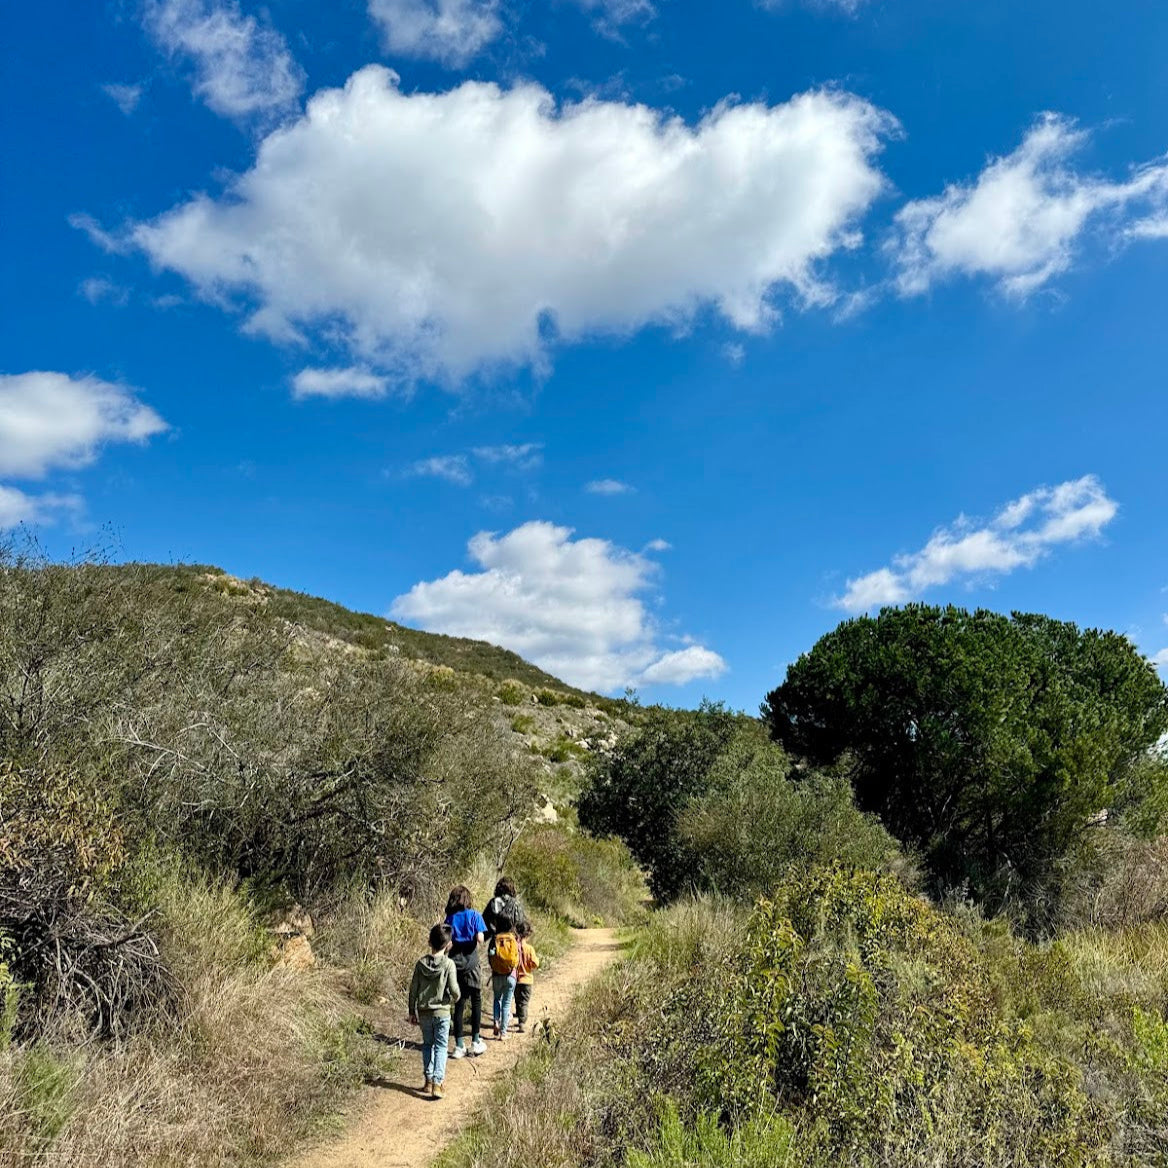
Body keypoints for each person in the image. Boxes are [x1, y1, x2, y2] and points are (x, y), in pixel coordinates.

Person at [408, 923, 460, 1099]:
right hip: (442, 1012)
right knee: (441, 1046)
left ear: (429, 941)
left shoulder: (420, 964)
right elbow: (454, 989)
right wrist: (455, 998)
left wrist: (411, 1011)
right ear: (449, 944)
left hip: (424, 1012)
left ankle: (428, 1081)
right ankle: (438, 1083)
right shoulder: (449, 964)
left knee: (427, 1045)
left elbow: (413, 989)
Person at [444, 885, 488, 1059]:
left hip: (455, 965)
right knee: (476, 1000)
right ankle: (476, 1041)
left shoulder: (450, 918)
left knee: (459, 1003)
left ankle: (459, 1045)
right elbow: (481, 939)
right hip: (472, 963)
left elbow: (447, 943)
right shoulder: (475, 915)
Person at [487, 913, 520, 1039]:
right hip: (510, 975)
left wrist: (494, 967)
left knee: (497, 999)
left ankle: (496, 1021)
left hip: (496, 975)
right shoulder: (513, 938)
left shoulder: (494, 938)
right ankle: (503, 1033)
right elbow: (517, 957)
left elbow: (490, 956)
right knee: (506, 1004)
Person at [513, 920, 540, 1034]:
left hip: (515, 979)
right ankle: (522, 1023)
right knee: (524, 1002)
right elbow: (535, 963)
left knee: (518, 1000)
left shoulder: (514, 947)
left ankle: (519, 1017)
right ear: (528, 934)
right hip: (527, 979)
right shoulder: (529, 949)